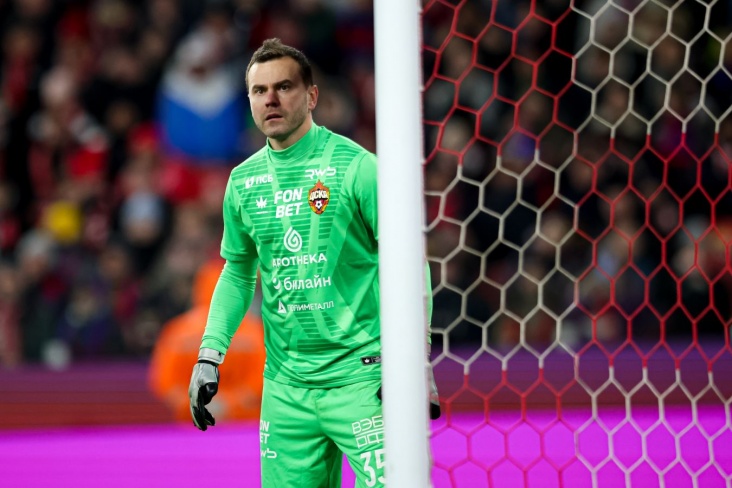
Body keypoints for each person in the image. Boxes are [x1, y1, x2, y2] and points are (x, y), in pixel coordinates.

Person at [188, 38, 440, 487]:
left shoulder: (358, 168)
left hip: (364, 379)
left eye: (283, 87)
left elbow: (407, 261)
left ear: (312, 96)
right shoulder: (242, 182)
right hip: (285, 389)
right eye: (259, 90)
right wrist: (210, 354)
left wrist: (415, 360)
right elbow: (239, 272)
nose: (270, 99)